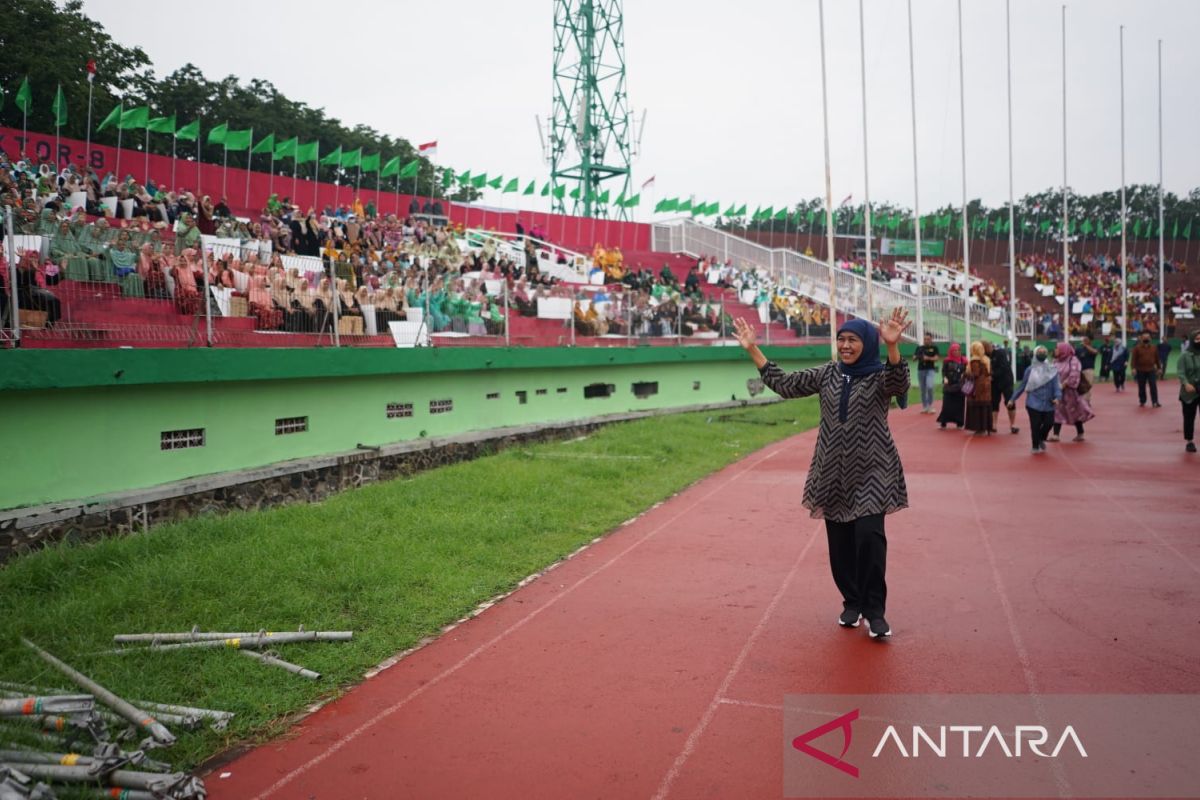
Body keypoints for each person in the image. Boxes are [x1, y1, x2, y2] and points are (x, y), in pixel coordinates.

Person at [734, 310, 911, 639]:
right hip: (831, 472)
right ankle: (852, 601)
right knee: (840, 545)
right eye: (841, 340)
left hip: (873, 471)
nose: (845, 346)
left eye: (853, 340)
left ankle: (875, 611)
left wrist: (892, 347)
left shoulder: (880, 376)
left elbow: (899, 382)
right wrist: (752, 349)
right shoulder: (828, 373)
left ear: (867, 344)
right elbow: (786, 385)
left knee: (869, 539)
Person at [1007, 346, 1062, 454]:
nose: (1042, 353)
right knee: (1035, 425)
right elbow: (1022, 386)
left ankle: (1041, 438)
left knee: (1049, 423)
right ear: (1035, 354)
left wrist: (1057, 397)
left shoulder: (1052, 369)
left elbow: (1056, 386)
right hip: (1033, 403)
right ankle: (1035, 445)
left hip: (1049, 403)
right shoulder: (1030, 370)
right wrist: (1012, 399)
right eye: (1040, 352)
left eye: (1044, 352)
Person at [1049, 341, 1095, 442]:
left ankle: (1080, 433)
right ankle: (1056, 435)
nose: (1055, 350)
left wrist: (1064, 385)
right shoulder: (1055, 361)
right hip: (1058, 392)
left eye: (1057, 348)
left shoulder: (1073, 360)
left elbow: (1074, 375)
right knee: (1057, 411)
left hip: (1070, 392)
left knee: (1075, 412)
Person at [986, 341, 1018, 434]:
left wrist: (993, 375)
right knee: (994, 402)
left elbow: (1004, 367)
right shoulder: (986, 356)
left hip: (1006, 381)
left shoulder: (1000, 353)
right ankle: (994, 425)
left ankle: (1013, 425)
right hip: (994, 382)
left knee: (1009, 401)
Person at [964, 342, 994, 435]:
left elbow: (975, 374)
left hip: (978, 387)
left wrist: (965, 374)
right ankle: (987, 427)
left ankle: (979, 428)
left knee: (977, 407)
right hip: (986, 386)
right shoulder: (987, 359)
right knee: (985, 407)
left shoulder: (974, 361)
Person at [1178, 330, 1200, 453]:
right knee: (1189, 417)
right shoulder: (1184, 355)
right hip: (1189, 392)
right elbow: (1181, 372)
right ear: (1192, 340)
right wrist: (1186, 383)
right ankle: (1189, 441)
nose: (1199, 341)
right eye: (1197, 339)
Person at [937, 342, 967, 430]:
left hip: (959, 385)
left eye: (958, 350)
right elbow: (943, 372)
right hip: (949, 385)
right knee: (947, 404)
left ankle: (959, 423)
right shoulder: (947, 361)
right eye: (954, 350)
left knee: (959, 405)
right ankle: (944, 422)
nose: (956, 352)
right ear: (951, 351)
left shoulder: (964, 361)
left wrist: (964, 375)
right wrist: (945, 378)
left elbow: (967, 371)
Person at [1131, 333, 1162, 407]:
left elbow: (1157, 359)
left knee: (1153, 386)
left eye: (1147, 338)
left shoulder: (1154, 348)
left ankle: (1155, 401)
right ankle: (1142, 401)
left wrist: (1159, 368)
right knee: (1141, 386)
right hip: (1140, 370)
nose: (1146, 339)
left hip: (1151, 370)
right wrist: (1133, 368)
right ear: (1141, 339)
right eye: (1144, 338)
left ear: (1150, 339)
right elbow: (1133, 360)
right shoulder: (1137, 348)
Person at [913, 333, 939, 414]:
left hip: (930, 370)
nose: (926, 340)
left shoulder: (934, 348)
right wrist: (918, 357)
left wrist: (928, 358)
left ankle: (930, 406)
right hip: (921, 370)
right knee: (923, 389)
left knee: (930, 386)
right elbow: (914, 358)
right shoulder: (919, 348)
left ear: (931, 339)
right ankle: (925, 407)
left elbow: (936, 358)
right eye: (925, 339)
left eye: (928, 339)